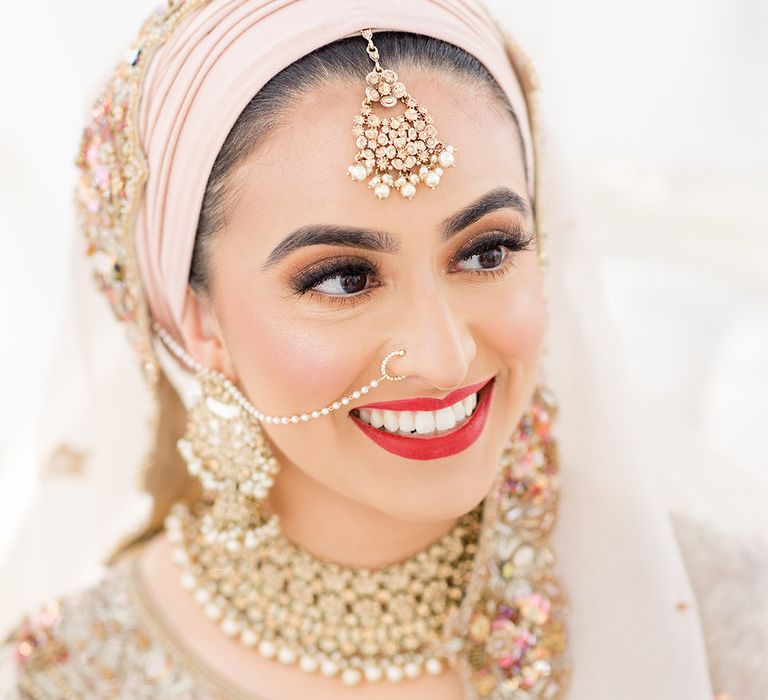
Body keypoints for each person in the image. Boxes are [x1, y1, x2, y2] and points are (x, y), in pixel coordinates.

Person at [0, 0, 758, 697]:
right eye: (342, 278)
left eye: (487, 252)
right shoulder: (70, 675)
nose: (444, 356)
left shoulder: (716, 623)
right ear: (198, 321)